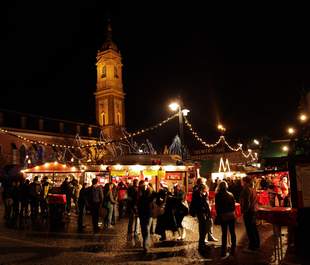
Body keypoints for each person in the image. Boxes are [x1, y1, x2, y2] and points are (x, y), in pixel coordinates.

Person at [215, 181, 237, 258]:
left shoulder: (217, 195)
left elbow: (217, 207)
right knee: (232, 232)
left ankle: (223, 251)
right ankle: (233, 249)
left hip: (223, 216)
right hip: (231, 215)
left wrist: (219, 215)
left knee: (224, 233)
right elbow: (234, 206)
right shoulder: (230, 194)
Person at [240, 176, 260, 251]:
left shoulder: (246, 189)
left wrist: (244, 211)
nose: (241, 182)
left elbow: (246, 202)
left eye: (242, 181)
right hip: (253, 210)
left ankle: (252, 247)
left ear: (245, 182)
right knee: (253, 228)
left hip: (249, 212)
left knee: (250, 229)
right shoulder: (252, 188)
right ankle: (257, 244)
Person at [137, 180, 155, 253]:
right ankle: (145, 245)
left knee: (144, 228)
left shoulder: (140, 196)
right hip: (148, 213)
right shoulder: (149, 196)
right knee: (147, 228)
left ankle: (145, 244)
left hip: (142, 213)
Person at [195, 184, 212, 252]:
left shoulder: (200, 194)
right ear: (203, 189)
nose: (206, 190)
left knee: (203, 229)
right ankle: (201, 246)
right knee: (203, 229)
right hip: (202, 214)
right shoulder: (199, 195)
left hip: (203, 214)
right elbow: (202, 205)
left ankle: (202, 244)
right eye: (205, 188)